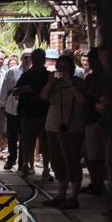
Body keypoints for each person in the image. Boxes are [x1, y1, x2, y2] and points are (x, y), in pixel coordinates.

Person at [42, 54, 87, 208]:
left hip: (72, 126)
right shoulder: (53, 82)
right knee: (57, 160)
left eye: (65, 67)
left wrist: (69, 83)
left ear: (72, 68)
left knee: (72, 160)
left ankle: (74, 196)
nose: (62, 70)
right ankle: (61, 194)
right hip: (53, 124)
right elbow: (43, 97)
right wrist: (50, 83)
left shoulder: (79, 82)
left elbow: (82, 100)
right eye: (59, 67)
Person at [14, 47, 51, 178]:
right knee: (27, 142)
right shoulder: (26, 75)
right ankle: (26, 165)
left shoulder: (48, 76)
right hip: (28, 113)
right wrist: (24, 89)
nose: (38, 61)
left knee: (45, 144)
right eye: (35, 58)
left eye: (40, 59)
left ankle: (46, 168)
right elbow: (15, 91)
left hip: (45, 114)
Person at [79, 47, 109, 195]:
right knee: (89, 155)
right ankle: (94, 181)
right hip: (89, 118)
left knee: (98, 155)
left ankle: (99, 183)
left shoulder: (105, 77)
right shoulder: (90, 77)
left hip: (99, 120)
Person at [1, 51, 28, 170]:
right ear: (21, 58)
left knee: (24, 137)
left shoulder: (33, 73)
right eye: (25, 57)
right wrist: (2, 104)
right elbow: (5, 88)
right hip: (12, 108)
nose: (27, 60)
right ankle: (11, 158)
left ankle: (23, 162)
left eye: (30, 57)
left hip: (27, 110)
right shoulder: (12, 71)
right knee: (12, 135)